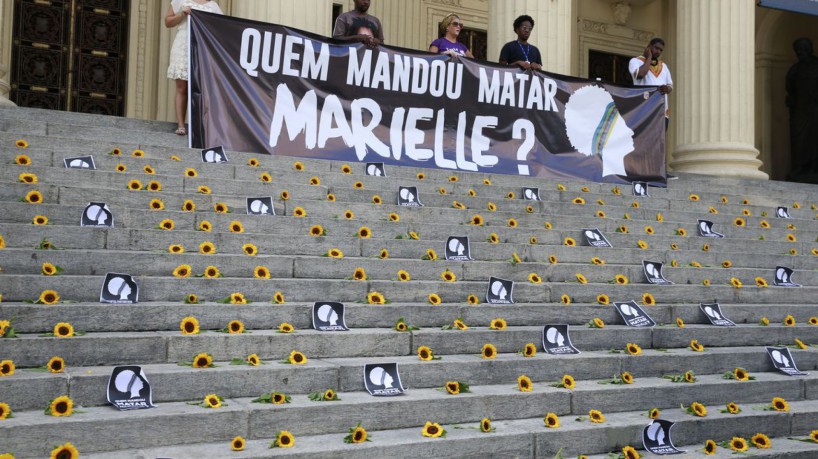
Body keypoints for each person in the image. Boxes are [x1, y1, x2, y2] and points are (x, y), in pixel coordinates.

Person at [165, 0, 223, 136]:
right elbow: (168, 22)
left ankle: (201, 126)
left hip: (203, 47)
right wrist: (182, 14)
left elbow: (221, 28)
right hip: (183, 44)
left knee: (203, 88)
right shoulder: (181, 1)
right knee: (181, 86)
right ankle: (181, 125)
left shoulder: (213, 6)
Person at [785, 38, 818, 180]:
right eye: (798, 49)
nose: (800, 51)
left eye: (803, 48)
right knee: (799, 137)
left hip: (816, 108)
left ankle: (814, 168)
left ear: (810, 49)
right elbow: (789, 87)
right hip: (800, 110)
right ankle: (800, 167)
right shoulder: (795, 69)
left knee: (815, 138)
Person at [629, 38, 673, 128]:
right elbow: (640, 74)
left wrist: (667, 88)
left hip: (662, 111)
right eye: (656, 48)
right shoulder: (635, 61)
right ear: (649, 47)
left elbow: (670, 86)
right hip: (644, 109)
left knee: (660, 141)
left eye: (661, 50)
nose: (658, 52)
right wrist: (648, 57)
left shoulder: (664, 66)